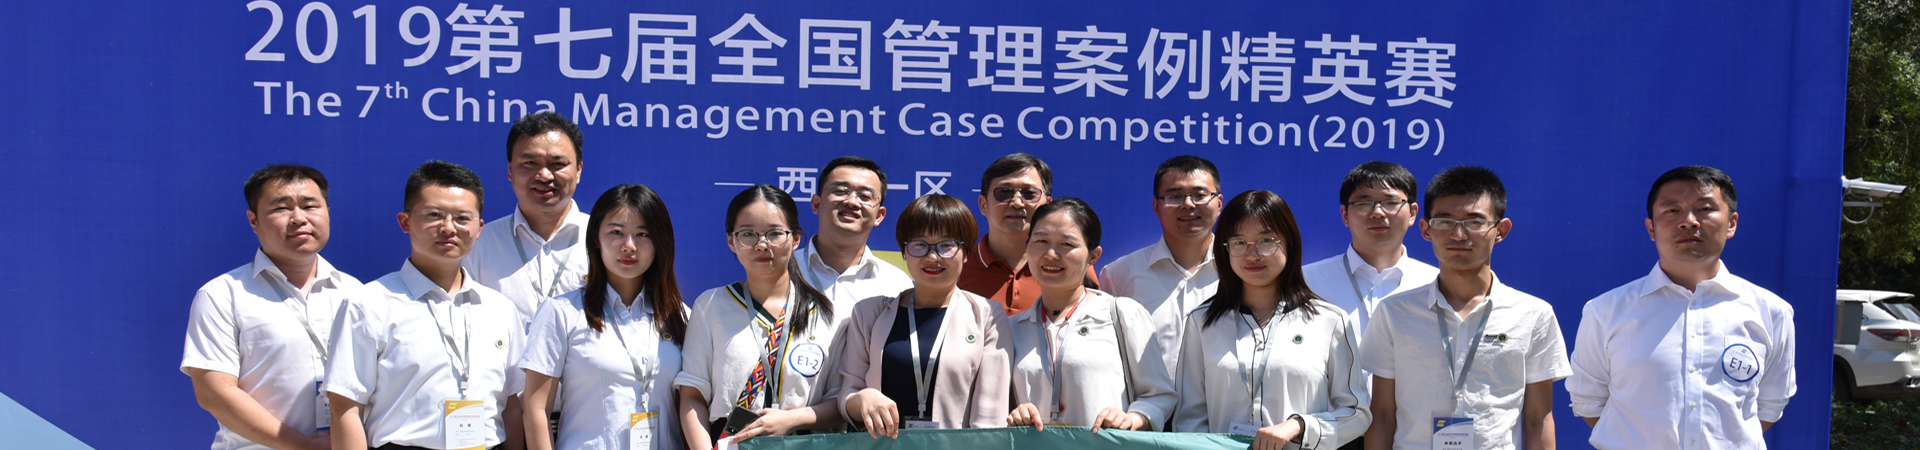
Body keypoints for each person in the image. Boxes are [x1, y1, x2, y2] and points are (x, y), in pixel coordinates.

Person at [1567, 165, 1796, 449]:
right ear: (1651, 227)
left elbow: (1769, 406)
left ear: (1731, 223)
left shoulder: (1772, 312)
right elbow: (1588, 402)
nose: (1689, 221)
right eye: (1672, 210)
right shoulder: (1605, 311)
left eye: (1705, 209)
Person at [1359, 166, 1569, 450]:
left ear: (1501, 230)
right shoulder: (1394, 313)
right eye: (1445, 221)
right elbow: (1383, 414)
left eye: (1474, 222)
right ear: (1426, 229)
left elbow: (1537, 418)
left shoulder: (1533, 315)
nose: (1458, 234)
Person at [326, 161, 527, 450]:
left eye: (462, 218)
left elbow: (511, 404)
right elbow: (344, 408)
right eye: (434, 215)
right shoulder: (367, 304)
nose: (448, 228)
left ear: (479, 228)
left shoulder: (500, 309)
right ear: (405, 221)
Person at [1172, 190, 1371, 450]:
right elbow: (1189, 418)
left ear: (1289, 243)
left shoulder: (1330, 320)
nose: (1252, 254)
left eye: (1266, 241)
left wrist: (1300, 426)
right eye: (1239, 242)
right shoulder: (1202, 322)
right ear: (1225, 250)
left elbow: (1356, 413)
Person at [182, 165, 363, 450]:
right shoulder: (223, 294)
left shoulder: (357, 293)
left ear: (327, 213)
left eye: (310, 206)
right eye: (281, 208)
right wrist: (305, 447)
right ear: (253, 220)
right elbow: (215, 392)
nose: (299, 218)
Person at [675, 185, 846, 450]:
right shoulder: (711, 305)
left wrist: (791, 419)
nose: (762, 244)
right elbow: (692, 394)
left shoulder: (825, 313)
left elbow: (839, 401)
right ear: (731, 241)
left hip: (804, 443)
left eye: (775, 233)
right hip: (731, 443)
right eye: (748, 234)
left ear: (796, 239)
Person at [520, 184, 689, 450]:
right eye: (616, 232)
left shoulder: (679, 315)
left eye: (643, 234)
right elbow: (536, 409)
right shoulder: (561, 312)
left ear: (659, 242)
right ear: (596, 239)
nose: (629, 246)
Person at [837, 194, 1014, 436]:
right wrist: (862, 398)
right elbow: (847, 395)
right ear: (904, 252)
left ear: (965, 253)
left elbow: (990, 417)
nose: (932, 256)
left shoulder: (987, 316)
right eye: (919, 244)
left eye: (946, 245)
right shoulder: (869, 313)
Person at [1005, 198, 1177, 432]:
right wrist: (1015, 413)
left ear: (1093, 256)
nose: (1051, 254)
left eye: (1067, 244)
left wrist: (1133, 419)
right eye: (1041, 241)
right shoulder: (1012, 328)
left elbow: (1159, 395)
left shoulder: (1122, 314)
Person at [1100, 155, 1223, 389]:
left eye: (1199, 195)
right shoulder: (1119, 275)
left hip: (1222, 409)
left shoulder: (1241, 270)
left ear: (1219, 203)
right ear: (1156, 206)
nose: (1188, 204)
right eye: (1175, 196)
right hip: (1144, 410)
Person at [466, 111, 590, 328]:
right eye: (530, 162)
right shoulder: (478, 245)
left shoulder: (605, 240)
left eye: (557, 164)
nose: (544, 175)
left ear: (578, 170)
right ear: (510, 170)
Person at [1302, 161, 1440, 342]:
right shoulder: (1306, 283)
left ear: (1412, 213)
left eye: (1391, 202)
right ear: (1345, 214)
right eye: (1364, 203)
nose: (1378, 213)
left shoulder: (1436, 284)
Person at [957, 153, 1096, 315]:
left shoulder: (1073, 265)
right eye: (1004, 192)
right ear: (983, 204)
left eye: (1029, 193)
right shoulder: (958, 266)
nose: (1017, 203)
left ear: (1047, 206)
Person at [794, 156, 913, 309]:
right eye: (840, 191)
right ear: (816, 203)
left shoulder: (897, 285)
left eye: (865, 196)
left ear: (879, 216)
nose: (852, 201)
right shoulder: (782, 271)